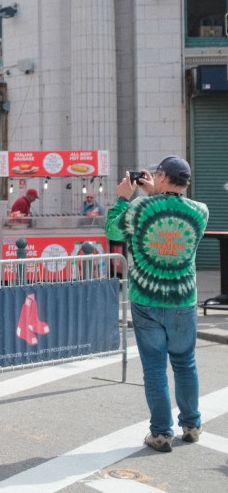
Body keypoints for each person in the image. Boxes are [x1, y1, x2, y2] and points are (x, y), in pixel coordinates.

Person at [105, 156, 208, 453]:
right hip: (182, 300)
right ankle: (191, 424)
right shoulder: (200, 211)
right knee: (185, 364)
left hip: (146, 300)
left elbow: (113, 231)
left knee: (154, 369)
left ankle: (161, 433)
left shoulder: (139, 208)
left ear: (162, 176)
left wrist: (125, 198)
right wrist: (154, 195)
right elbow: (170, 217)